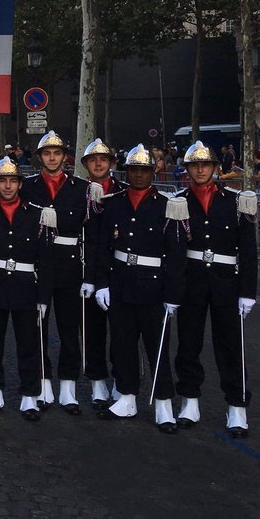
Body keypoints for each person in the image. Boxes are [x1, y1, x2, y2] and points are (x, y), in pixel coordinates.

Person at [84, 144, 187, 432]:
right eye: (133, 170)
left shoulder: (168, 204)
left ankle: (164, 404)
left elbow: (176, 255)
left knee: (157, 347)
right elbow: (104, 247)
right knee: (123, 345)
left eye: (144, 170)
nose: (139, 175)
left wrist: (173, 295)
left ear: (153, 172)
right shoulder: (113, 202)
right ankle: (127, 397)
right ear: (126, 171)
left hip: (154, 286)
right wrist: (102, 283)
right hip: (120, 283)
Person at [173, 141, 258, 437]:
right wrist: (172, 291)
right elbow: (173, 252)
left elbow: (249, 251)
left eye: (205, 165)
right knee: (188, 343)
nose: (200, 169)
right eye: (194, 165)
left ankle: (236, 406)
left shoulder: (236, 201)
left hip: (226, 281)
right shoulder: (179, 202)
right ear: (187, 169)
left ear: (214, 168)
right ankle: (190, 400)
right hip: (192, 280)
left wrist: (248, 291)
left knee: (230, 346)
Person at [0, 158, 55, 420]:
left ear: (20, 184)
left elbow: (46, 259)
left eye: (12, 181)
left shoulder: (38, 215)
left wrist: (44, 296)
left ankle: (29, 395)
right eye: (2, 181)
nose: (7, 186)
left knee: (29, 344)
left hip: (27, 286)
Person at [20, 131, 89, 413]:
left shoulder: (82, 188)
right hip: (37, 264)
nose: (52, 158)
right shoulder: (27, 186)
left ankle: (69, 387)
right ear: (39, 157)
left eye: (57, 153)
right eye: (47, 153)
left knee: (69, 329)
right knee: (37, 327)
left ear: (64, 157)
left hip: (69, 263)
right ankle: (43, 382)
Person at [78, 137, 121, 408]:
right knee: (92, 331)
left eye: (103, 159)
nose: (98, 163)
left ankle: (121, 379)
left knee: (122, 332)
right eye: (92, 160)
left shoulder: (124, 191)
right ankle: (97, 381)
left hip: (120, 271)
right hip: (87, 269)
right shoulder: (78, 191)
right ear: (85, 165)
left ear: (111, 163)